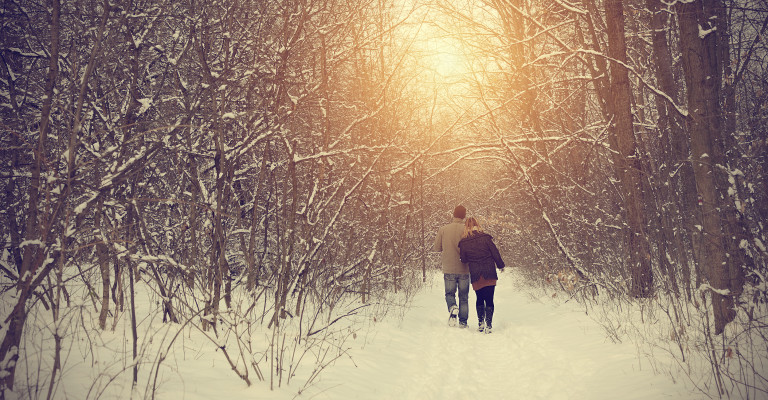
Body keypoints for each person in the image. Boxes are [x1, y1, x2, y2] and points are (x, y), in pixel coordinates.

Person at [458, 217, 505, 333]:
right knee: (489, 298)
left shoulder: (464, 242)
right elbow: (495, 252)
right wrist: (500, 265)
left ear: (466, 227)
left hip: (475, 273)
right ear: (477, 225)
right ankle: (489, 324)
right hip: (489, 271)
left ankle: (480, 323)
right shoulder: (485, 238)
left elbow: (463, 259)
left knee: (479, 298)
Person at [433, 205, 470, 328]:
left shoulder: (443, 229)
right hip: (464, 268)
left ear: (453, 215)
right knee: (464, 297)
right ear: (464, 216)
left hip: (449, 267)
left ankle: (453, 307)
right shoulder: (467, 229)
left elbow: (437, 248)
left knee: (450, 294)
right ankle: (463, 322)